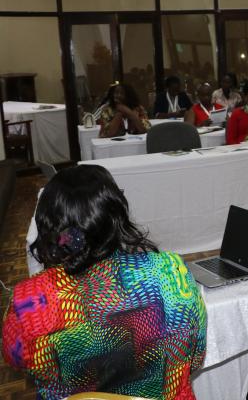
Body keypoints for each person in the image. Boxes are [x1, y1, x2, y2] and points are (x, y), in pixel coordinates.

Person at [2, 165, 207, 399]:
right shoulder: (172, 273)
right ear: (116, 215)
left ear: (51, 230)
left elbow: (15, 358)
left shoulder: (29, 301)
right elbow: (196, 355)